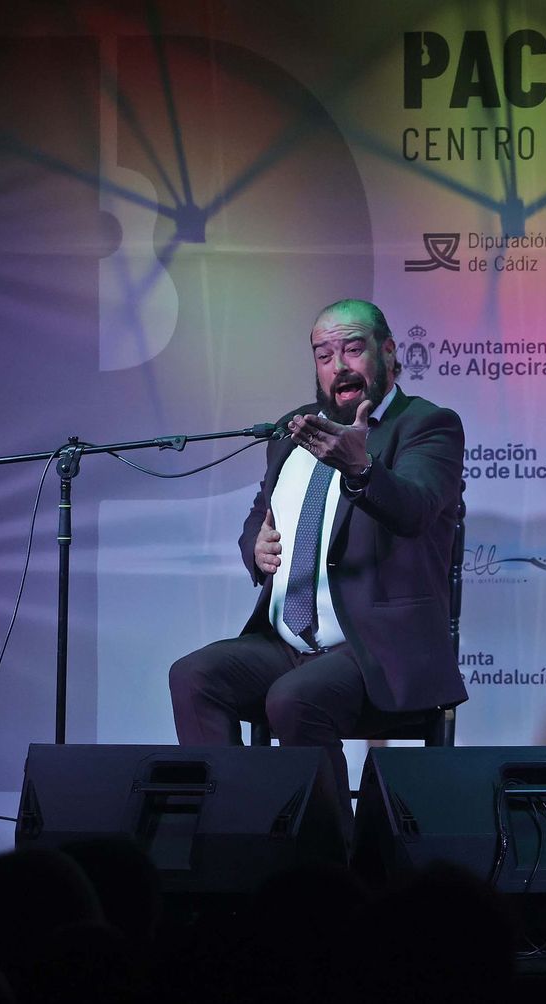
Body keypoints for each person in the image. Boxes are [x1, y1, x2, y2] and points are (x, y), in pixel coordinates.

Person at [168, 298, 465, 834]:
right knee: (194, 676)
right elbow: (261, 515)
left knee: (294, 701)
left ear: (388, 352)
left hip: (376, 648)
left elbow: (417, 509)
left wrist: (362, 469)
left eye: (353, 349)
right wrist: (253, 548)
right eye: (324, 354)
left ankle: (333, 864)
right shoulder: (292, 431)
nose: (340, 365)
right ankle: (235, 836)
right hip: (285, 643)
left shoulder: (425, 425)